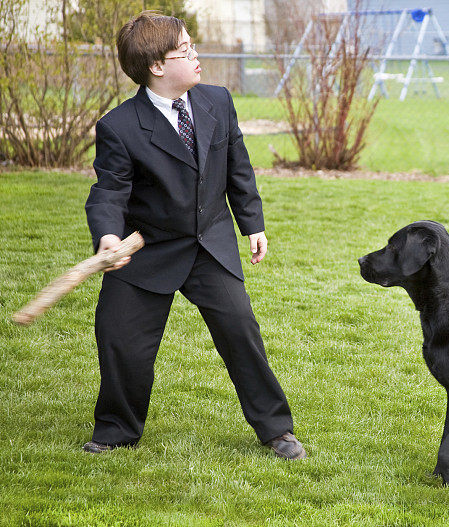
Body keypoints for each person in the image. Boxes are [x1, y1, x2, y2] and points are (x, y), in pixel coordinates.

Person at [83, 12, 305, 459]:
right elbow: (108, 191)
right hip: (145, 251)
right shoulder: (120, 127)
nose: (197, 55)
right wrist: (108, 235)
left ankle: (277, 429)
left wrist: (252, 223)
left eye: (192, 45)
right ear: (157, 67)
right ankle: (115, 430)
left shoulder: (217, 102)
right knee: (120, 340)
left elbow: (238, 167)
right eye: (185, 51)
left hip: (209, 242)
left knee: (240, 330)